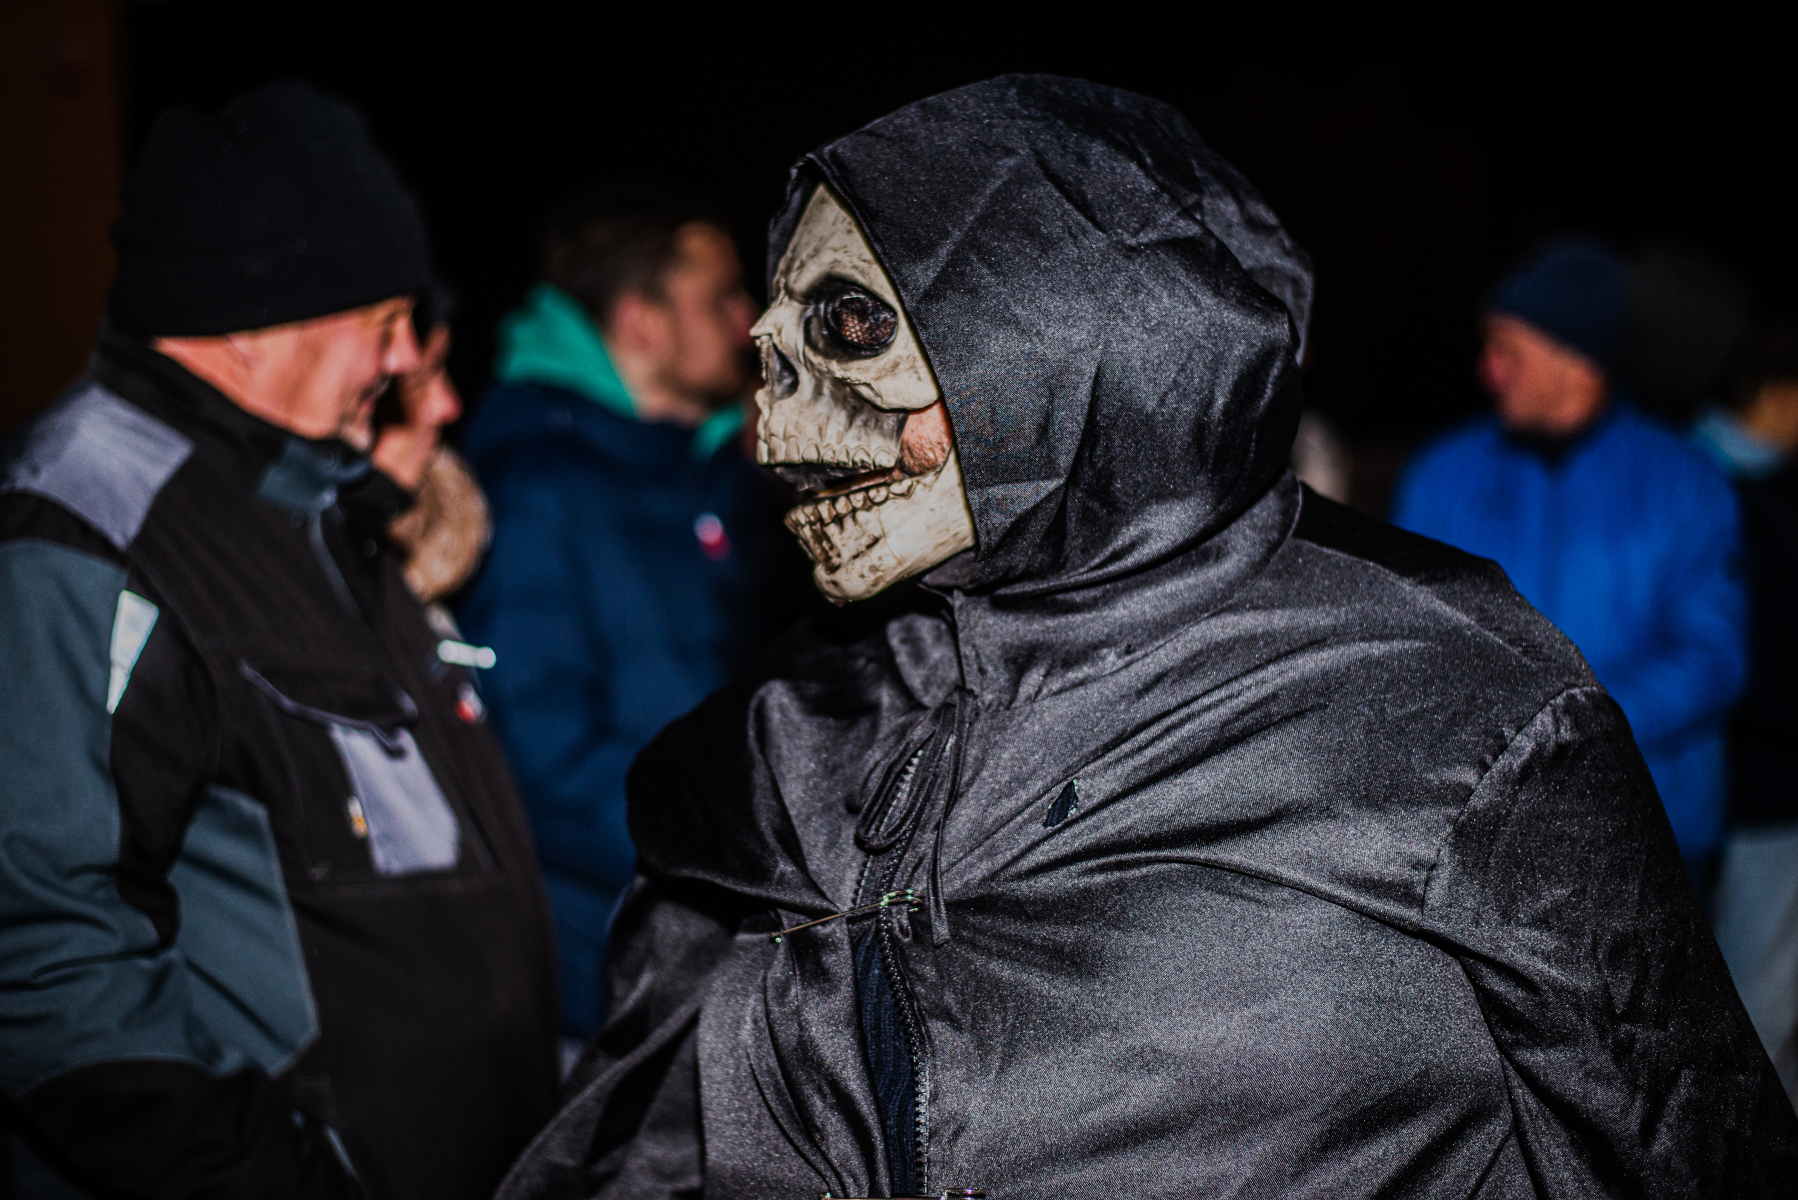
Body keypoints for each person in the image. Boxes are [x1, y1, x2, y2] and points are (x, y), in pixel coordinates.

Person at [498, 77, 1795, 1199]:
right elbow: (635, 1148)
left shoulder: (1441, 714)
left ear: (1059, 331)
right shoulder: (780, 736)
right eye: (772, 355)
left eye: (852, 328)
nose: (778, 430)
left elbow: (1683, 1144)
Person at [0, 84, 558, 1200]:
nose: (402, 361)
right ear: (256, 319)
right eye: (383, 323)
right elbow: (44, 946)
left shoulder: (309, 511)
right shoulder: (85, 527)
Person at [457, 184, 812, 1058]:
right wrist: (741, 853)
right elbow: (538, 754)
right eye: (720, 297)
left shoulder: (715, 475)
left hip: (724, 957)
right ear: (641, 323)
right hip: (607, 981)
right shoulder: (539, 485)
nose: (749, 321)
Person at [1392, 237, 1749, 887]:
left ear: (1577, 361)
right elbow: (1409, 637)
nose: (1488, 370)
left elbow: (1711, 654)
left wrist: (1570, 725)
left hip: (1650, 833)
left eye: (1507, 349)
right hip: (1487, 834)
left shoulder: (1686, 482)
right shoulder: (1440, 474)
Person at [1693, 319, 1798, 1105]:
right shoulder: (1714, 487)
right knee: (1757, 1011)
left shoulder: (1697, 469)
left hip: (1740, 788)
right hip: (1755, 794)